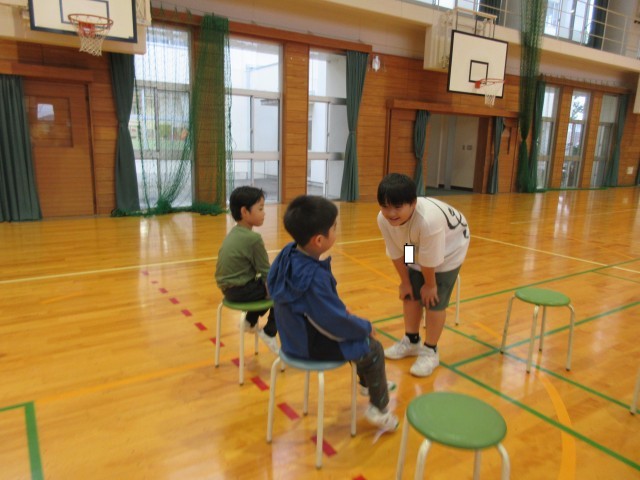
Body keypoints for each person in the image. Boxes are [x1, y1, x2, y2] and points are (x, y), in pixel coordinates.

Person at [267, 195, 399, 432]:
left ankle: (368, 383)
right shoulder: (313, 277)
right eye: (334, 228)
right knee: (372, 347)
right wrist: (364, 326)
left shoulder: (288, 252)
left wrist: (335, 309)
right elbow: (334, 323)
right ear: (319, 240)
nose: (336, 231)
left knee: (356, 336)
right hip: (307, 346)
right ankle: (379, 409)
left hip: (290, 336)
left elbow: (314, 306)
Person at [377, 173, 470, 377]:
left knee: (433, 300)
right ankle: (411, 341)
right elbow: (397, 252)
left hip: (450, 247)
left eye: (397, 207)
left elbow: (430, 261)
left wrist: (430, 285)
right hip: (413, 243)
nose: (391, 213)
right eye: (385, 206)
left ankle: (430, 351)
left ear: (413, 203)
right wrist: (405, 281)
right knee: (410, 291)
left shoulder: (428, 221)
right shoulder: (383, 220)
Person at [215, 186, 279, 354]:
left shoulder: (234, 233)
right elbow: (266, 273)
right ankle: (269, 331)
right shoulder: (253, 239)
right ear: (244, 212)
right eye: (260, 209)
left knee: (264, 286)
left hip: (228, 291)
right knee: (283, 288)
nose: (264, 213)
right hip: (241, 290)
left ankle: (249, 321)